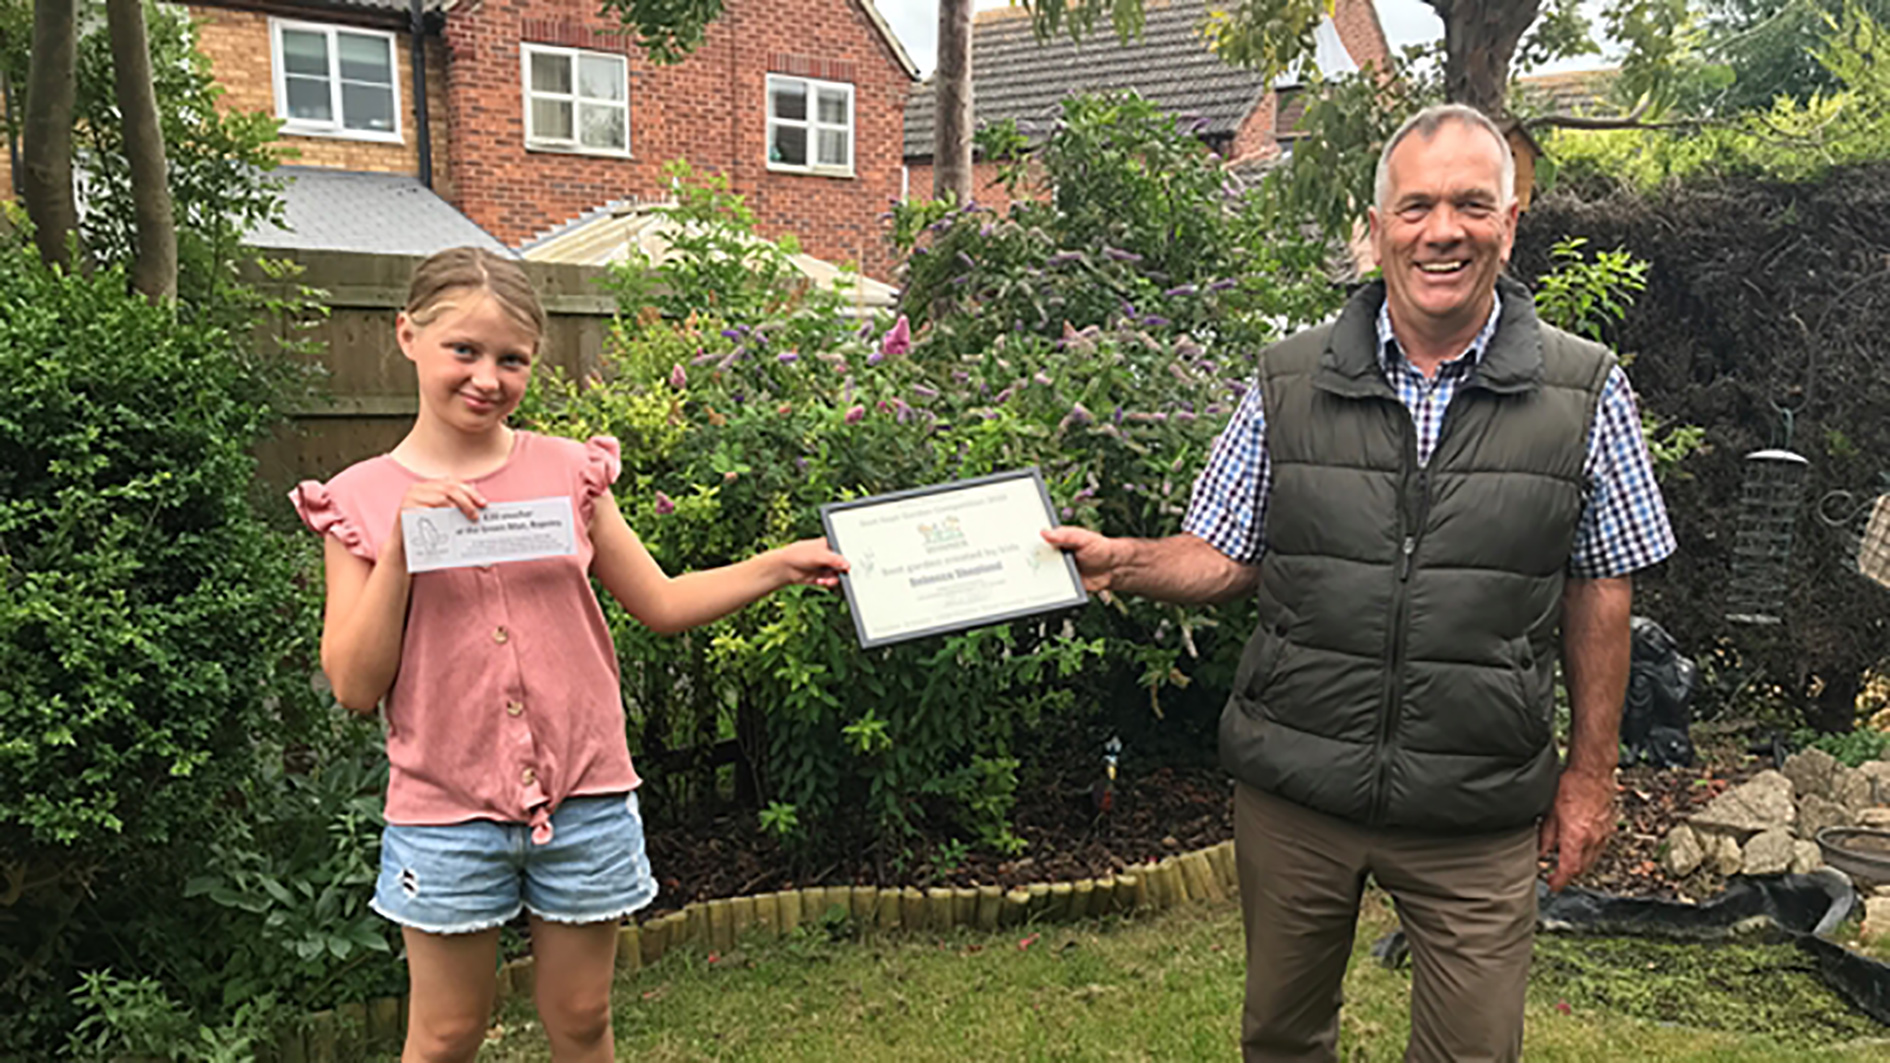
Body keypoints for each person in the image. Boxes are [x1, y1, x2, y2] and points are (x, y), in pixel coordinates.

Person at [1043, 104, 1674, 1063]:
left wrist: (1590, 776)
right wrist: (1122, 561)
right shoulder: (1290, 380)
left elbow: (1602, 591)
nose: (1442, 231)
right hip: (1298, 795)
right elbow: (1223, 548)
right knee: (1284, 1038)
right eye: (1415, 206)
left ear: (1510, 221)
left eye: (1472, 204)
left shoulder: (1585, 390)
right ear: (1377, 229)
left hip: (1477, 806)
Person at [291, 247, 846, 1063]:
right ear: (407, 334)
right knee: (445, 1035)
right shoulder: (361, 497)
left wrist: (780, 564)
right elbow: (353, 682)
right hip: (446, 812)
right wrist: (405, 547)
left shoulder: (565, 470)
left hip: (587, 796)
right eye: (465, 351)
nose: (488, 376)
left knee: (583, 1021)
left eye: (511, 358)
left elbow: (658, 602)